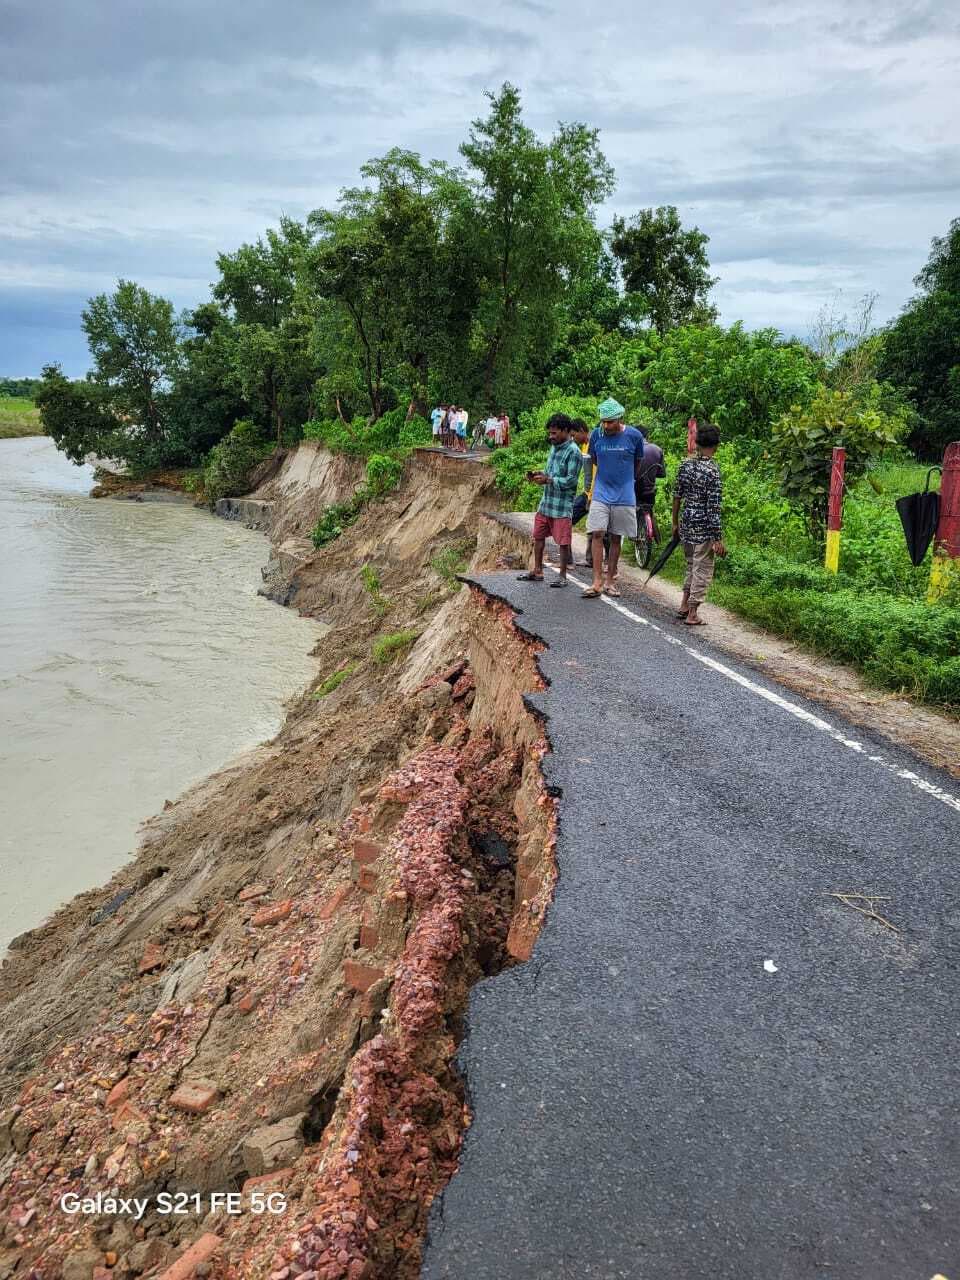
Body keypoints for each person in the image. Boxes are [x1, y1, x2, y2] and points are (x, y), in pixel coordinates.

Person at [582, 398, 644, 599]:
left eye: (610, 422)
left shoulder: (634, 436)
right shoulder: (596, 436)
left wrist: (626, 482)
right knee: (597, 532)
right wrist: (589, 492)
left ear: (620, 418)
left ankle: (610, 581)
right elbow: (595, 462)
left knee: (616, 536)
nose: (606, 426)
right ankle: (597, 581)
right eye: (603, 422)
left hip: (625, 494)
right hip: (601, 492)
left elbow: (637, 463)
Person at [517, 413, 582, 588]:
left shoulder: (574, 452)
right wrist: (539, 475)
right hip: (547, 502)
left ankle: (562, 576)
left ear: (566, 431)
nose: (551, 437)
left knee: (563, 541)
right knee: (538, 536)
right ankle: (537, 570)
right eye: (550, 433)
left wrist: (548, 480)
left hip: (562, 505)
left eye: (554, 433)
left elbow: (571, 481)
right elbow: (549, 472)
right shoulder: (554, 447)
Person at [672, 422, 725, 626]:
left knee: (691, 565)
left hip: (686, 521)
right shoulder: (713, 471)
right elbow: (713, 508)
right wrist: (717, 537)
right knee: (702, 568)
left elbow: (677, 496)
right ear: (716, 445)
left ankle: (684, 604)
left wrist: (675, 522)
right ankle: (693, 612)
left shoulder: (685, 465)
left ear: (697, 442)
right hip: (704, 528)